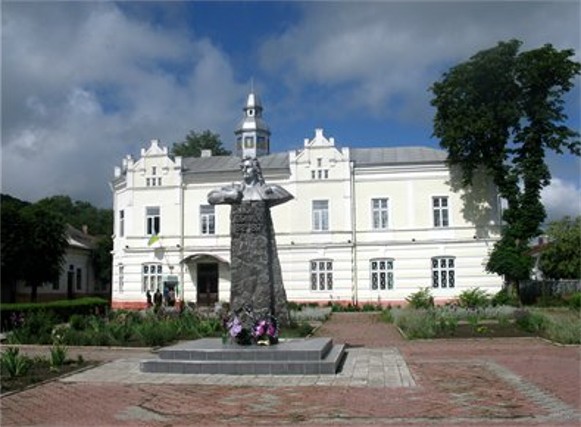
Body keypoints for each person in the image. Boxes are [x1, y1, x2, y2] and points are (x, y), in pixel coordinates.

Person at [208, 157, 292, 207]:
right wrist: (228, 195)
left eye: (248, 167)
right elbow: (211, 198)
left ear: (256, 170)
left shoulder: (271, 190)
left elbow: (286, 195)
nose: (244, 170)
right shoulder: (236, 188)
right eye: (242, 168)